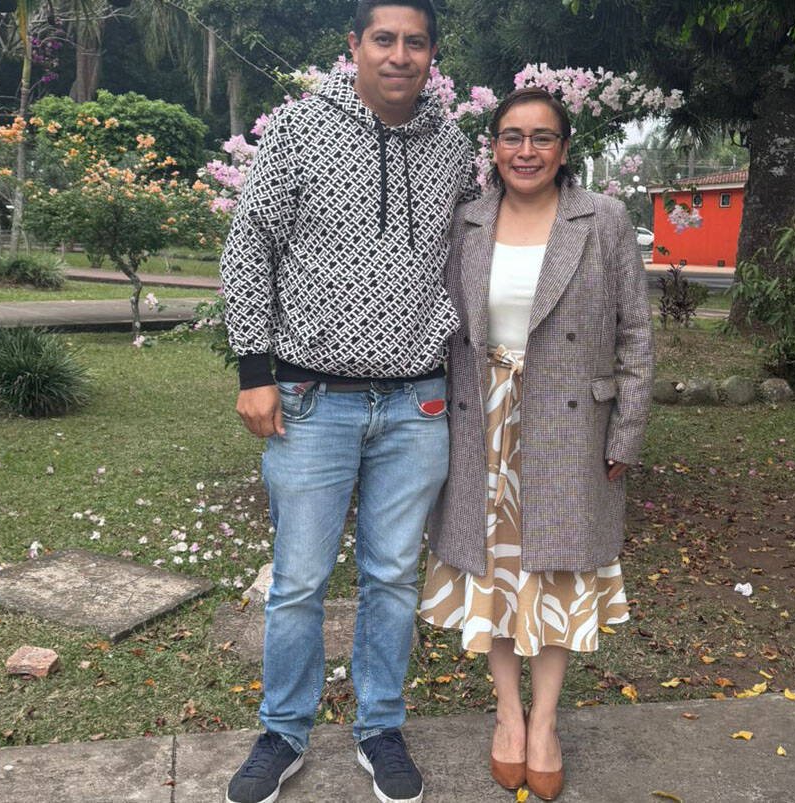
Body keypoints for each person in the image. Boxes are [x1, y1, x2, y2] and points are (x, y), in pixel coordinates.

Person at [218, 1, 476, 801]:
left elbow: (476, 246)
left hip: (417, 402)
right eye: (384, 40)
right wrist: (253, 370)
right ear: (355, 47)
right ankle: (282, 730)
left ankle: (380, 725)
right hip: (310, 399)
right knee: (298, 579)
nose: (399, 55)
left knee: (393, 576)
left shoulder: (453, 147)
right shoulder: (298, 129)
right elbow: (249, 245)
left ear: (432, 54)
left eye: (415, 42)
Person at [418, 87, 655, 801]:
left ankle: (545, 722)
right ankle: (508, 714)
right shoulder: (466, 220)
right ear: (493, 147)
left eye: (542, 137)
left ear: (564, 147)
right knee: (493, 569)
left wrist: (627, 431)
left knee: (555, 571)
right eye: (512, 136)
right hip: (479, 419)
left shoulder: (602, 219)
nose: (526, 151)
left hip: (569, 423)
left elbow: (636, 332)